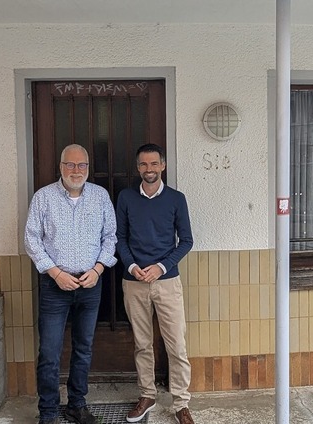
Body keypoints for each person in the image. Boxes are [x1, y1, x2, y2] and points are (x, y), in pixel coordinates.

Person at [25, 144, 117, 424]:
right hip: (55, 286)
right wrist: (55, 273)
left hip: (90, 284)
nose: (76, 170)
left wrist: (98, 269)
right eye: (70, 164)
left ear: (88, 168)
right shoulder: (43, 197)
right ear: (61, 166)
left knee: (83, 349)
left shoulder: (100, 196)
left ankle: (77, 405)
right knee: (49, 352)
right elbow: (31, 239)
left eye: (81, 165)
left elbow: (110, 236)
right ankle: (48, 412)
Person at [116, 143, 195, 424]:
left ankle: (181, 403)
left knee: (177, 345)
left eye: (153, 164)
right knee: (142, 343)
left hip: (167, 281)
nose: (148, 169)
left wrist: (161, 267)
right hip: (134, 281)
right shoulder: (126, 197)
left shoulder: (176, 199)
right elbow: (119, 238)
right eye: (143, 164)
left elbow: (186, 241)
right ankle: (147, 395)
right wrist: (133, 266)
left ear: (163, 165)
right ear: (138, 167)